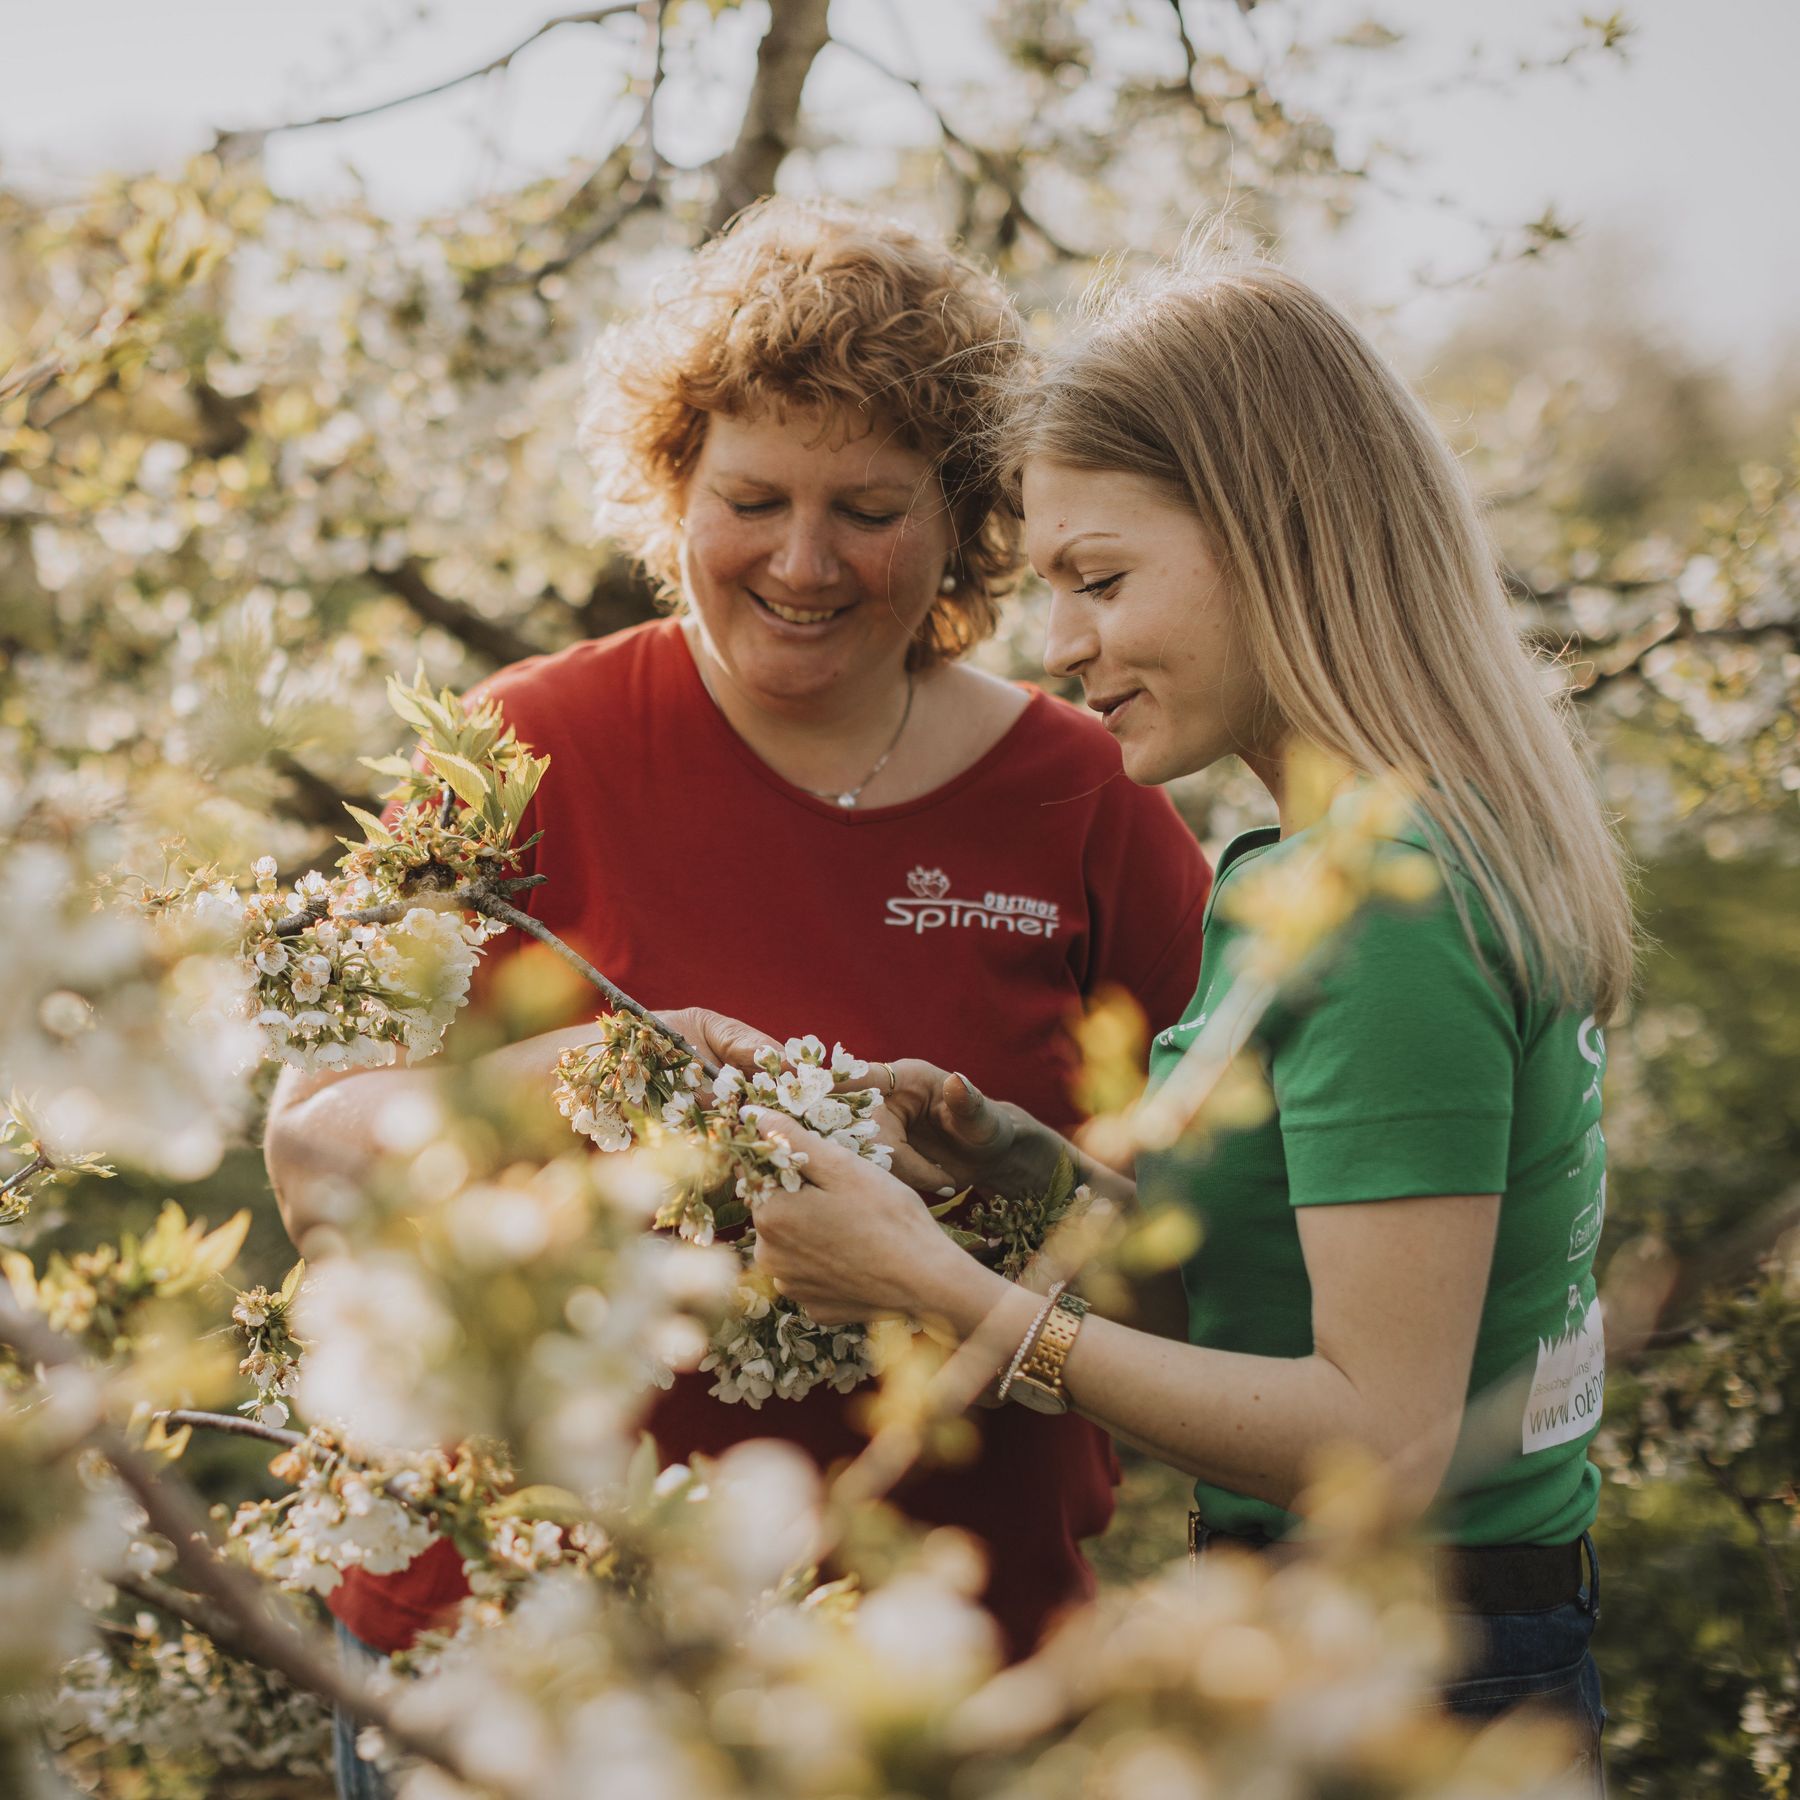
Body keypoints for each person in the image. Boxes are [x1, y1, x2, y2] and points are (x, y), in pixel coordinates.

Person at [263, 197, 1214, 1793]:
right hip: (519, 1656)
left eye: (870, 508)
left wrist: (978, 1215)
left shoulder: (1088, 794)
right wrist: (589, 1090)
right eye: (752, 497)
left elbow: (1215, 1264)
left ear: (969, 515)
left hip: (938, 1668)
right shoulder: (507, 747)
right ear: (670, 488)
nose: (802, 560)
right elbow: (310, 1159)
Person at [722, 251, 1631, 1791]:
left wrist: (940, 1289)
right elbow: (1275, 1287)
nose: (1060, 647)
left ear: (1281, 542)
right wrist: (1016, 1174)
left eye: (1104, 579)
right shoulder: (1325, 858)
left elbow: (1380, 1436)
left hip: (1424, 1675)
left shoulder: (1387, 909)